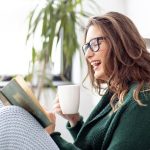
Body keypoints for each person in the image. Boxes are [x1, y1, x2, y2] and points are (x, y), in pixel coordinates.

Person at [46, 11, 150, 150]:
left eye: (95, 43)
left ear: (120, 42)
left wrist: (52, 136)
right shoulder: (116, 93)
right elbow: (96, 145)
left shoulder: (142, 96)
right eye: (87, 46)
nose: (88, 55)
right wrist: (75, 120)